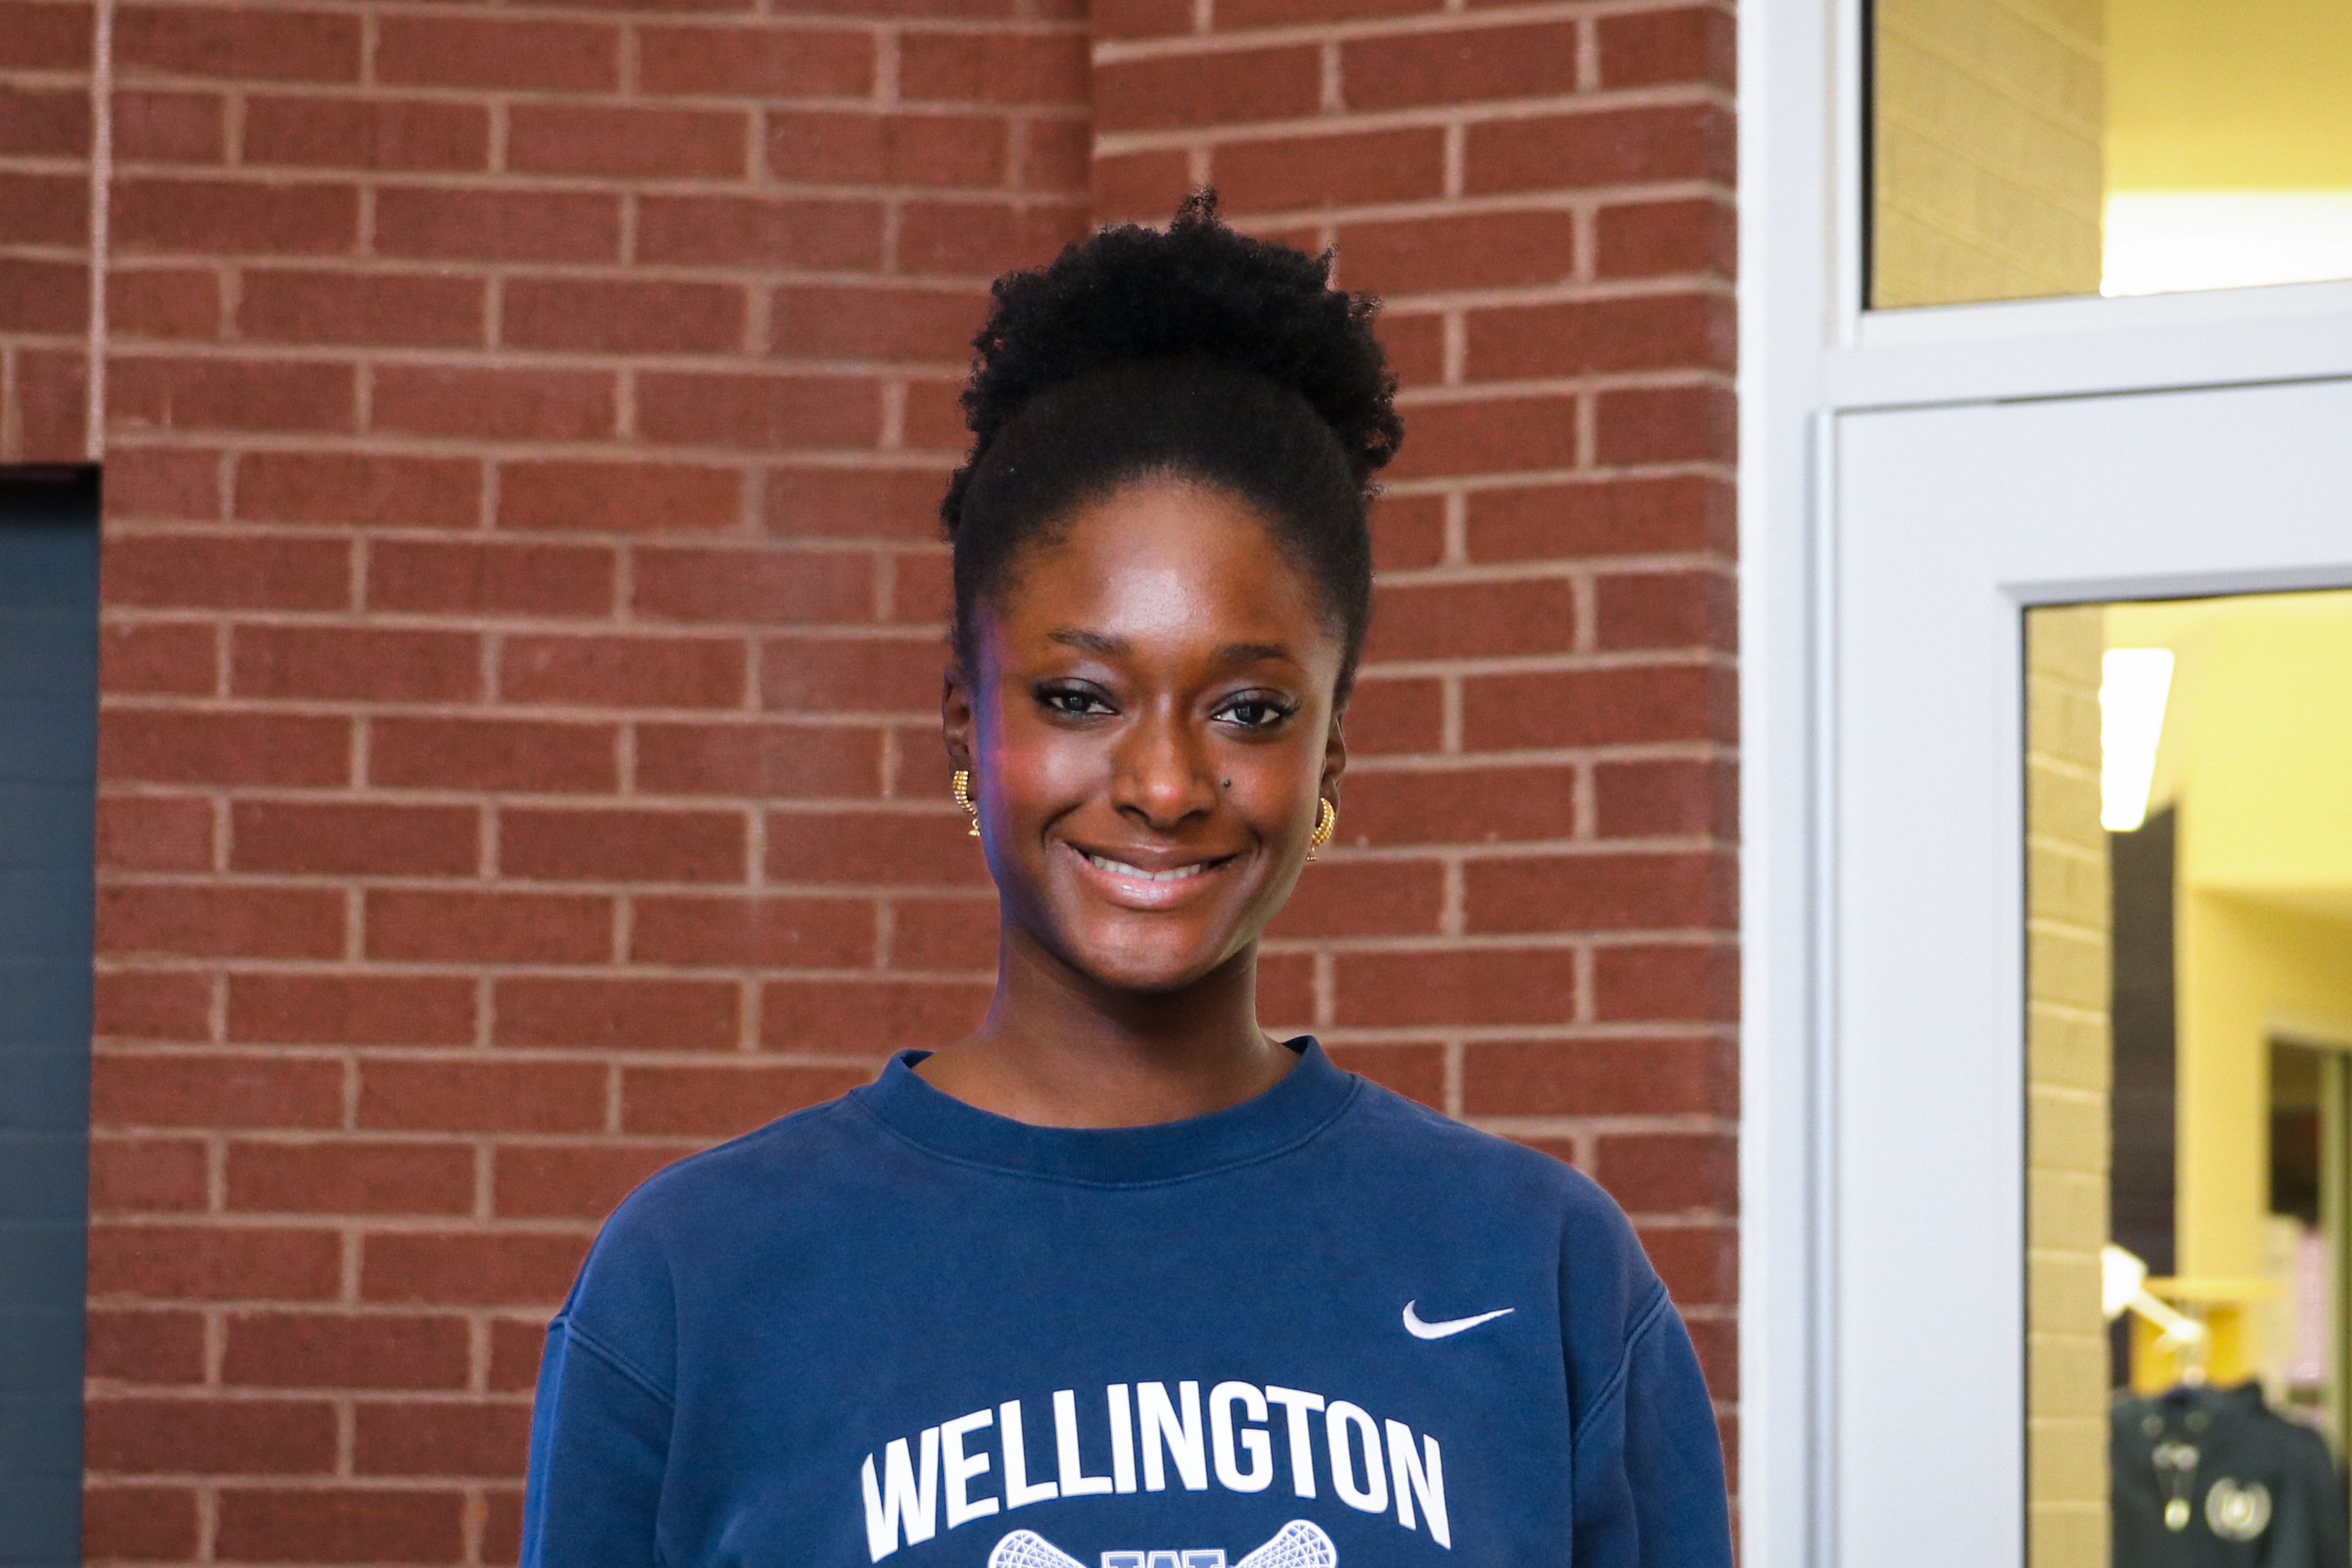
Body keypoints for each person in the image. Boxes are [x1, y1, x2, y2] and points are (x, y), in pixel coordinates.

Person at [519, 193, 1733, 1568]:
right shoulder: (698, 1278)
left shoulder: (1537, 1273)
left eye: (1250, 711)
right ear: (963, 726)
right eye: (1080, 694)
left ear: (1330, 750)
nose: (1163, 784)